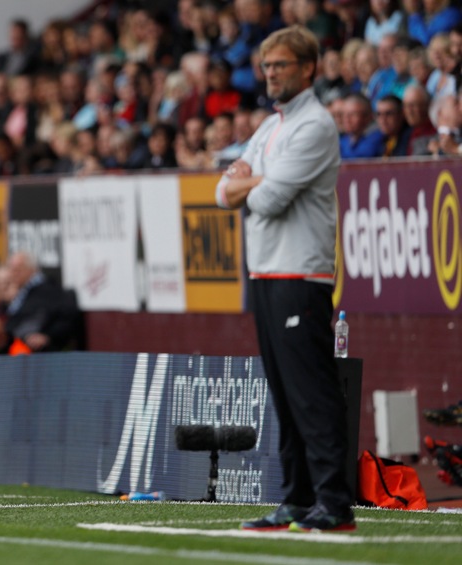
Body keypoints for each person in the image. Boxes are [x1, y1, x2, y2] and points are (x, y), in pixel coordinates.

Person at [215, 25, 356, 532]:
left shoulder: (313, 125)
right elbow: (221, 193)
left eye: (283, 65)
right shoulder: (269, 127)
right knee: (283, 392)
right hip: (267, 271)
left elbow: (265, 199)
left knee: (311, 393)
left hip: (302, 273)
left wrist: (248, 182)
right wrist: (253, 182)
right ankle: (296, 498)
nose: (272, 73)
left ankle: (334, 503)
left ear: (308, 69)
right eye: (268, 65)